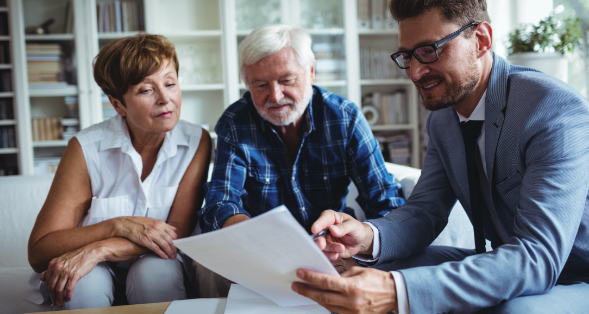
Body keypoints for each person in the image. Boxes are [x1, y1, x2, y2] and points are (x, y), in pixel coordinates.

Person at [291, 1, 589, 313]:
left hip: (573, 273)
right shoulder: (443, 120)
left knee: (514, 312)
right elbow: (424, 212)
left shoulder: (552, 109)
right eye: (406, 56)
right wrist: (366, 236)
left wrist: (398, 292)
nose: (416, 72)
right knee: (368, 271)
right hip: (505, 262)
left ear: (482, 40)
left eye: (430, 50)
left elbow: (537, 257)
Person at [27, 34, 212, 310]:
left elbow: (176, 235)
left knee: (155, 273)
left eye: (170, 84)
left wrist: (100, 248)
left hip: (155, 260)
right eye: (146, 90)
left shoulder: (197, 141)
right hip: (92, 268)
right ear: (117, 105)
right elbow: (40, 251)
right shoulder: (85, 148)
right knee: (82, 286)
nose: (165, 99)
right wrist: (117, 225)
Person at [200, 24, 404, 233]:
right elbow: (221, 202)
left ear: (311, 73)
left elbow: (385, 201)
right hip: (263, 245)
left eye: (286, 80)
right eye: (261, 85)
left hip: (332, 244)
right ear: (247, 84)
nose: (276, 96)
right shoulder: (235, 123)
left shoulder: (345, 118)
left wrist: (362, 241)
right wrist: (249, 231)